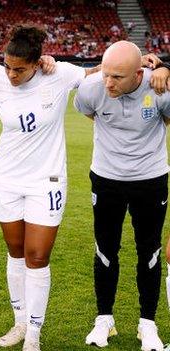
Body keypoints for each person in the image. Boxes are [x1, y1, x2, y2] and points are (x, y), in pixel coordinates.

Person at [0, 25, 104, 351]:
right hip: (7, 178)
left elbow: (99, 72)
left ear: (38, 63)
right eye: (7, 66)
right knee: (16, 252)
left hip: (47, 181)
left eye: (19, 69)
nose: (11, 74)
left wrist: (157, 65)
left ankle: (34, 336)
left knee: (37, 257)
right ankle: (20, 322)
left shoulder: (60, 74)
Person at [74, 41, 170, 351]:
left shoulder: (159, 90)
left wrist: (166, 69)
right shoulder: (92, 89)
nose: (108, 82)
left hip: (151, 180)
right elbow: (90, 112)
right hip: (106, 179)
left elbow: (166, 119)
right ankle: (104, 320)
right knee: (105, 250)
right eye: (106, 74)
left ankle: (148, 325)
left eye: (117, 77)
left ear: (139, 73)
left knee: (150, 252)